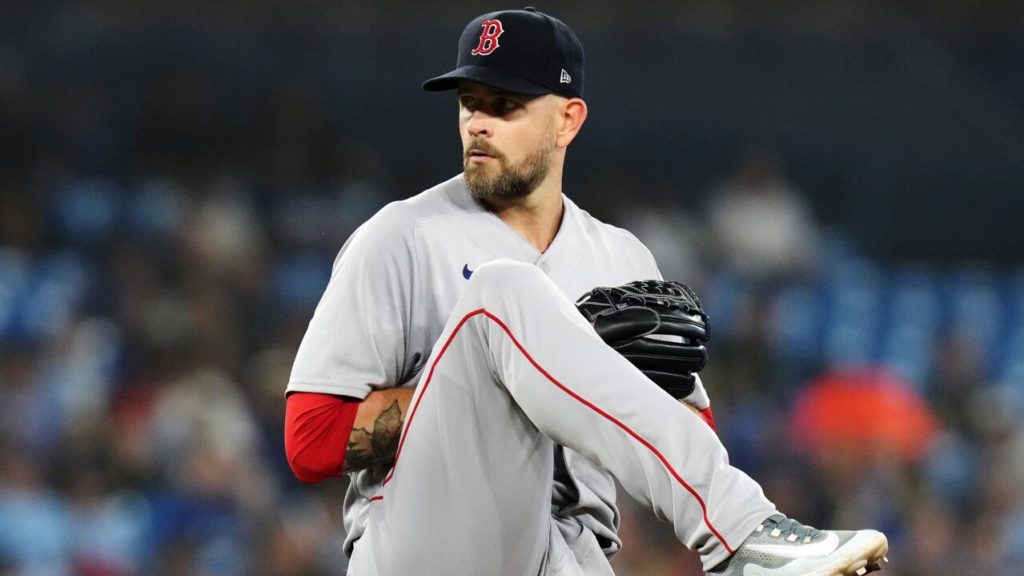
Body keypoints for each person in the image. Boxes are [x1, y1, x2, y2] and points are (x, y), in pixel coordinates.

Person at [284, 7, 889, 575]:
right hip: (432, 543)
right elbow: (308, 441)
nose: (480, 123)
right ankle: (746, 537)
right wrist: (503, 382)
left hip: (575, 552)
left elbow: (690, 441)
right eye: (470, 103)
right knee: (502, 292)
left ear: (568, 119)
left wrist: (626, 380)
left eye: (507, 105)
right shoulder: (400, 237)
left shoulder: (622, 259)